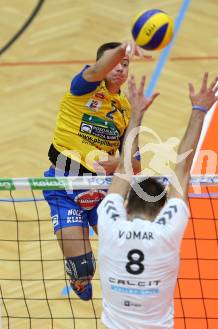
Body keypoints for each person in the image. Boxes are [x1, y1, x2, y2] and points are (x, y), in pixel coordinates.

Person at [96, 73, 218, 329]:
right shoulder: (166, 230)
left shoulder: (109, 223)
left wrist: (136, 114)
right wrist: (199, 110)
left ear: (126, 203)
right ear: (160, 208)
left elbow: (124, 168)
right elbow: (183, 168)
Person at [43, 41, 157, 300]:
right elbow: (96, 71)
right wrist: (123, 49)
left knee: (125, 253)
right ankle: (78, 276)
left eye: (125, 65)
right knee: (84, 271)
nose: (120, 68)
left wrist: (109, 165)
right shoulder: (82, 88)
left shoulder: (125, 110)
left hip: (100, 192)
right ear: (103, 64)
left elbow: (135, 164)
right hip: (64, 189)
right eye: (115, 62)